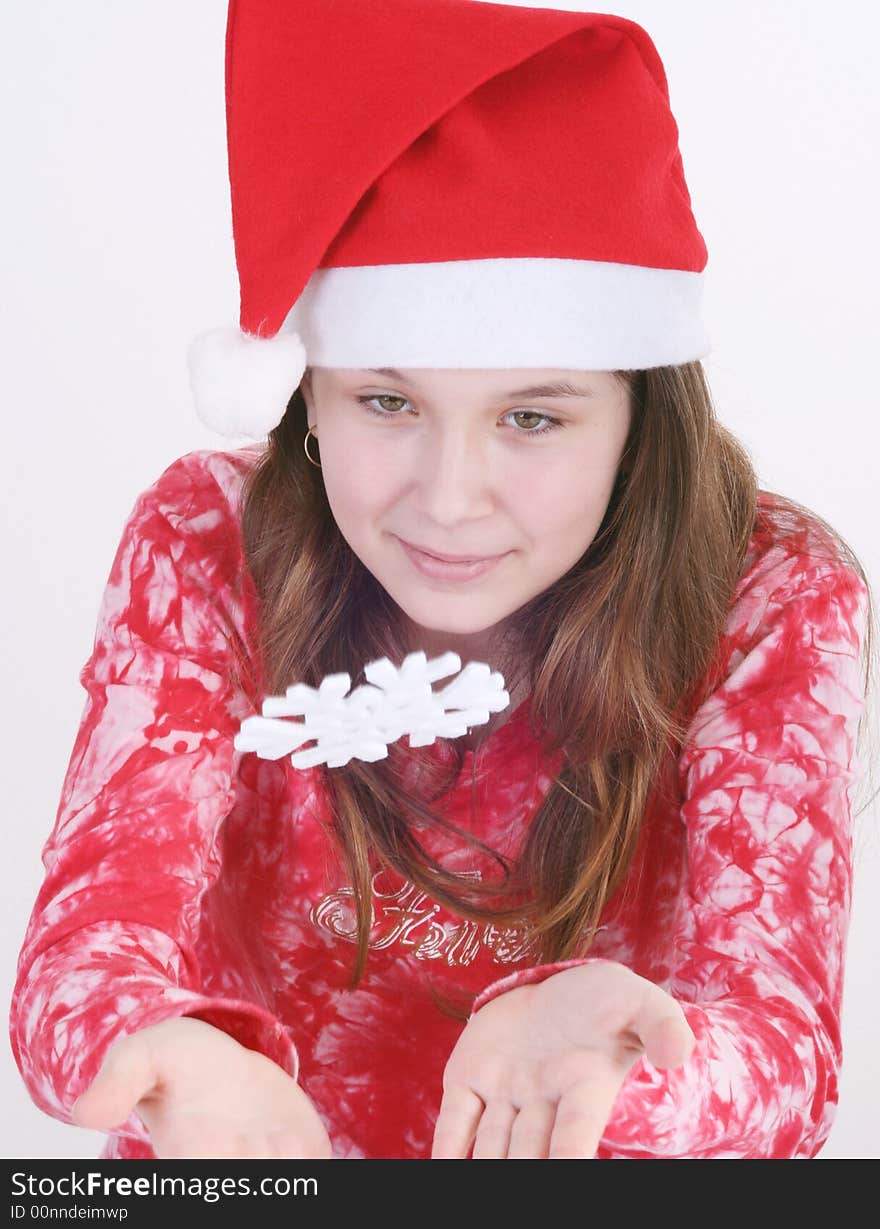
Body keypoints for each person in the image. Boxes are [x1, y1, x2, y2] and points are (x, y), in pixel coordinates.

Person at [9, 0, 876, 1161]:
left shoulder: (770, 594)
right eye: (386, 401)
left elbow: (782, 1055)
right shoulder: (205, 539)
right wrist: (160, 1041)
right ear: (305, 395)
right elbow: (86, 948)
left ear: (638, 420)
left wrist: (628, 1065)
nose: (448, 498)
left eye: (530, 416)